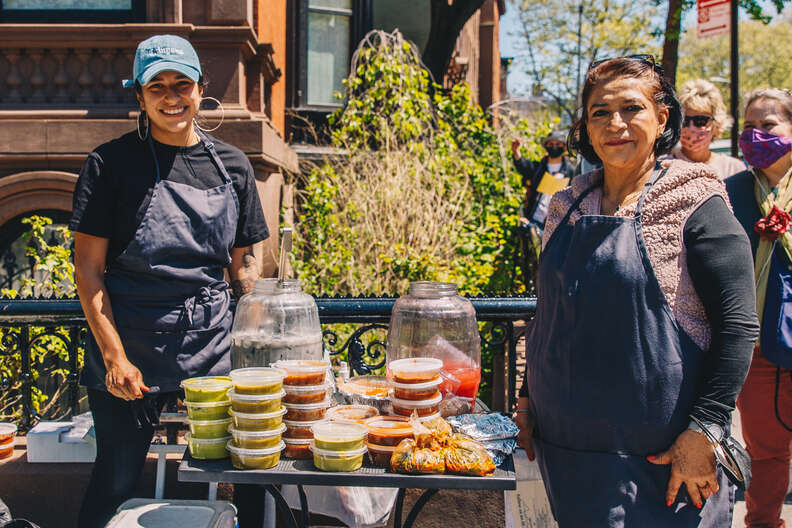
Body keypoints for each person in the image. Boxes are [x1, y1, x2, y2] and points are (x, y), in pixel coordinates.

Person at [514, 56, 758, 527]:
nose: (615, 124)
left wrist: (705, 430)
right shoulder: (567, 203)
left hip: (665, 462)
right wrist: (526, 402)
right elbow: (549, 317)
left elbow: (738, 325)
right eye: (600, 112)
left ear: (662, 117)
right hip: (563, 455)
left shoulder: (695, 198)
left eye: (631, 108)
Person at [70, 35, 268, 527]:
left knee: (248, 471)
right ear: (139, 96)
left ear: (201, 89)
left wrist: (257, 337)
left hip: (213, 343)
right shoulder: (109, 165)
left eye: (182, 83)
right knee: (116, 476)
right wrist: (115, 359)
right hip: (132, 342)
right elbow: (88, 270)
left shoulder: (235, 166)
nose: (171, 96)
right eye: (156, 86)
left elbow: (246, 266)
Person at [726, 88, 792, 528]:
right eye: (748, 126)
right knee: (766, 453)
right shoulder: (730, 194)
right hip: (761, 350)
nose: (756, 134)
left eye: (768, 125)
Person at [671, 78, 745, 179]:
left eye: (701, 121)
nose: (691, 128)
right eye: (685, 120)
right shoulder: (663, 167)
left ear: (716, 123)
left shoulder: (733, 169)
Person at [511, 129, 575, 234]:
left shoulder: (570, 171)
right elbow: (523, 165)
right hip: (534, 222)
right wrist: (515, 150)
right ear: (546, 146)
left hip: (557, 226)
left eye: (558, 144)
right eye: (551, 143)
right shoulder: (539, 168)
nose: (554, 146)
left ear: (564, 146)